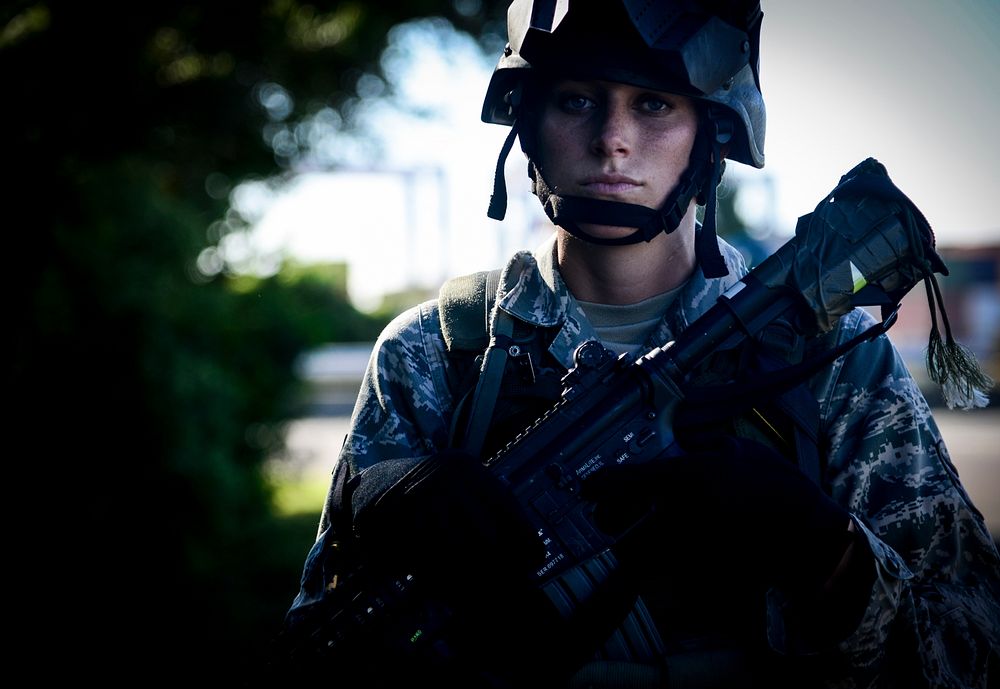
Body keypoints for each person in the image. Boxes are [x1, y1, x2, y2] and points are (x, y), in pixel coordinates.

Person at [278, 2, 1000, 687]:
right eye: (575, 100)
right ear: (527, 125)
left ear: (710, 135)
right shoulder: (434, 351)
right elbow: (326, 634)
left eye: (653, 104)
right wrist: (365, 516)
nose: (611, 139)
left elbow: (970, 652)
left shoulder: (829, 353)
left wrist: (823, 547)